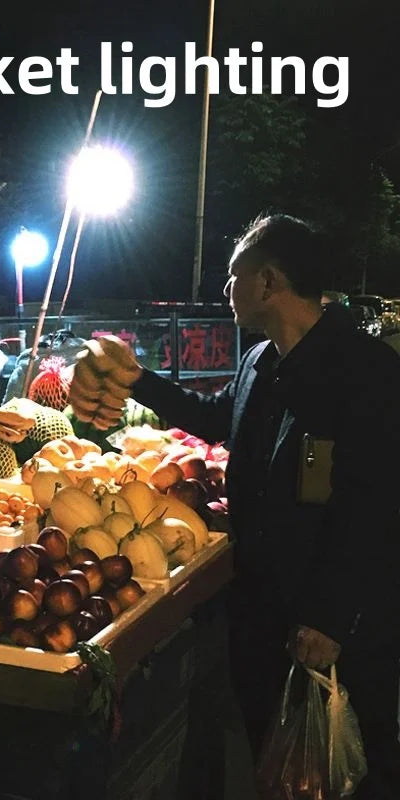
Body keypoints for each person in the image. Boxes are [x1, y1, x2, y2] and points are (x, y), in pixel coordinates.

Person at [125, 214, 400, 798]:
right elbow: (216, 418)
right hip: (262, 607)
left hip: (337, 623)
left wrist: (330, 618)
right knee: (276, 761)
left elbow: (373, 508)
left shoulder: (368, 372)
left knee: (351, 764)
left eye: (235, 275)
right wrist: (137, 380)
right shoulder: (260, 362)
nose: (227, 289)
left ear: (269, 282)